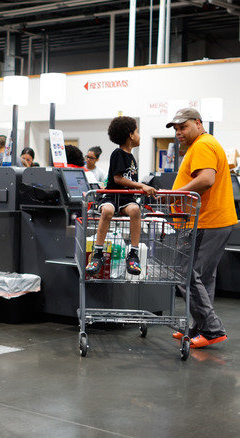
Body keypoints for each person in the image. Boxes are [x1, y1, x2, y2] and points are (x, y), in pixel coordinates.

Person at [168, 108, 236, 348]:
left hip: (208, 221)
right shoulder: (206, 143)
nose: (178, 132)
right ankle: (199, 327)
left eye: (183, 127)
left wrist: (172, 197)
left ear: (198, 123)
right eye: (175, 129)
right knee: (202, 278)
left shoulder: (202, 145)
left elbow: (206, 180)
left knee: (186, 276)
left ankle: (212, 329)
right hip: (214, 221)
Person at [85, 116, 156, 277]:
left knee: (135, 210)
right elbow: (118, 179)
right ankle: (98, 253)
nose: (139, 135)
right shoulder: (118, 153)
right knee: (107, 211)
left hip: (126, 199)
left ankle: (133, 253)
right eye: (137, 132)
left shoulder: (131, 157)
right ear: (130, 135)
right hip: (112, 196)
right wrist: (142, 186)